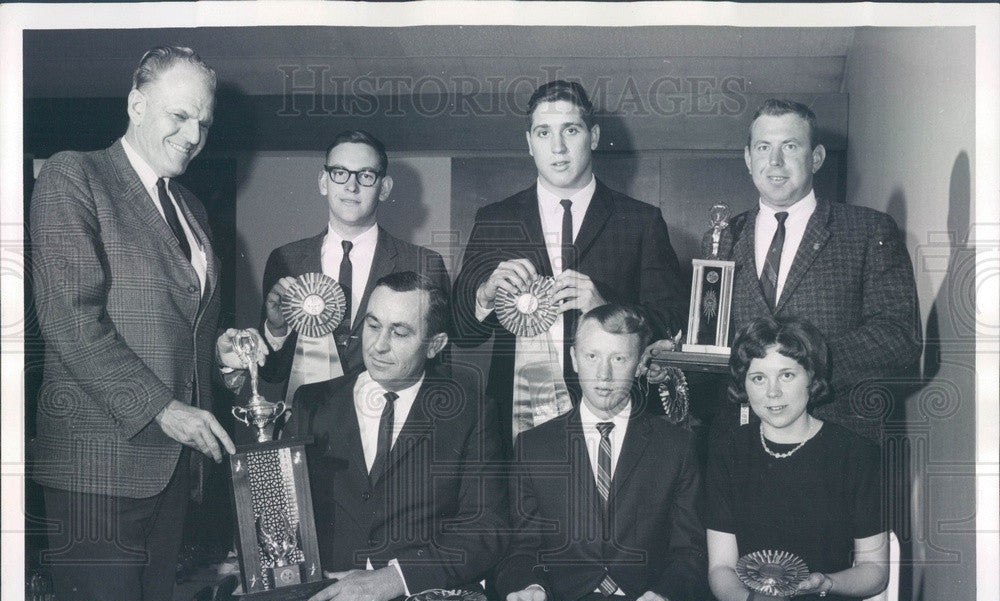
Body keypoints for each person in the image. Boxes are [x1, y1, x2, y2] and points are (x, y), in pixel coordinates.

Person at [28, 46, 261, 601]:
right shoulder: (75, 177)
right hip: (99, 464)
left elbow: (182, 334)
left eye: (204, 122)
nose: (193, 134)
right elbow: (70, 321)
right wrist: (163, 408)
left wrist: (224, 349)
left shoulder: (189, 208)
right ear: (135, 103)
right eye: (179, 114)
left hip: (165, 473)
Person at [219, 272, 507, 601]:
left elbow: (484, 529)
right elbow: (276, 508)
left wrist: (392, 579)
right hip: (331, 599)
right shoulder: (313, 401)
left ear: (435, 344)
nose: (378, 344)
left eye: (400, 332)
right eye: (372, 325)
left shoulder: (468, 405)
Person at [493, 304, 706, 601]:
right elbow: (521, 548)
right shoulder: (535, 447)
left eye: (619, 359)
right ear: (572, 358)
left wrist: (667, 599)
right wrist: (527, 586)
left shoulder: (678, 446)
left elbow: (691, 553)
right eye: (592, 357)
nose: (605, 375)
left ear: (641, 364)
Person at [643, 98, 921, 442]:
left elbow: (898, 339)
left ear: (815, 158)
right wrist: (675, 361)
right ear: (748, 158)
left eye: (790, 146)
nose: (775, 161)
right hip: (743, 442)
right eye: (763, 147)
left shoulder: (867, 230)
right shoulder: (723, 237)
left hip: (839, 438)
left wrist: (803, 363)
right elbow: (719, 347)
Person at [702, 316, 889, 601]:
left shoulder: (855, 454)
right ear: (743, 386)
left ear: (812, 378)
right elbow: (721, 567)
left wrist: (827, 581)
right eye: (757, 377)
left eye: (787, 374)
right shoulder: (725, 452)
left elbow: (874, 570)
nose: (773, 391)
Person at [452, 80, 687, 453]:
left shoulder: (640, 220)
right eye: (544, 133)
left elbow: (673, 318)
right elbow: (462, 333)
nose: (557, 147)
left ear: (593, 136)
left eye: (570, 130)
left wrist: (605, 310)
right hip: (515, 427)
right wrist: (482, 295)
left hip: (614, 418)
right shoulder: (495, 219)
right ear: (529, 142)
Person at [259, 130, 449, 403]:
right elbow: (272, 373)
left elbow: (438, 369)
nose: (351, 186)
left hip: (387, 423)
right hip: (306, 420)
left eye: (366, 175)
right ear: (324, 182)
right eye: (340, 173)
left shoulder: (424, 264)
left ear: (384, 188)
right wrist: (276, 330)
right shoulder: (285, 260)